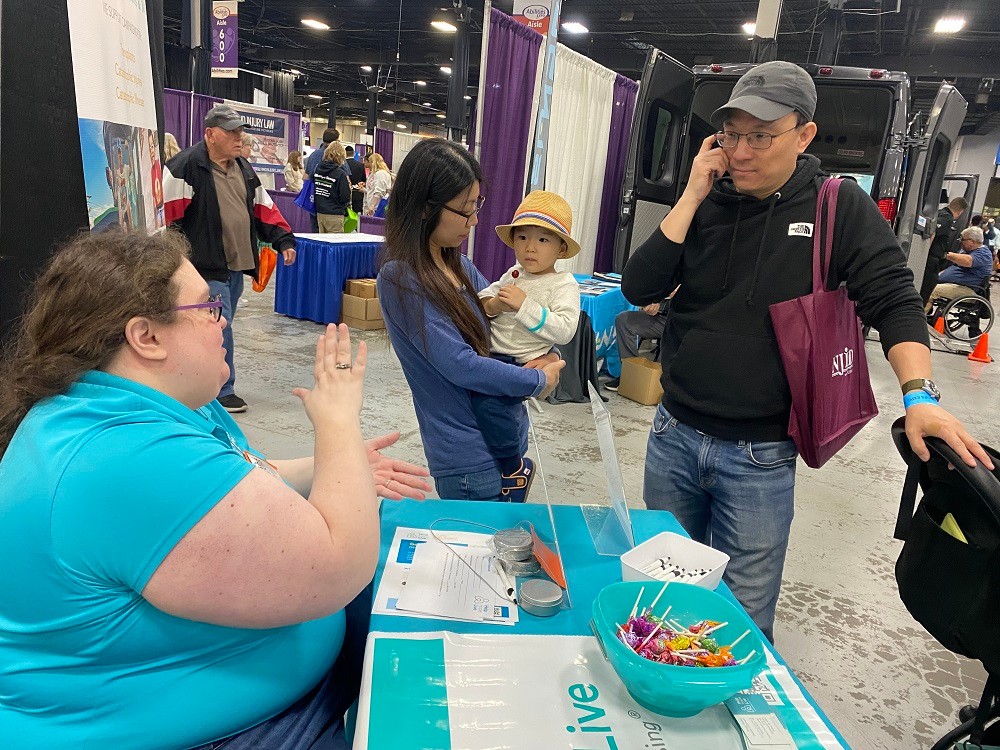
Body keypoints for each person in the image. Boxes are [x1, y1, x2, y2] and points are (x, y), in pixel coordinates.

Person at [0, 230, 431, 750]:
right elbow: (341, 566)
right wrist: (337, 419)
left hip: (269, 690)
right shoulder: (122, 457)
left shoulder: (158, 399)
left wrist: (333, 469)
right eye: (205, 307)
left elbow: (243, 472)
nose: (222, 318)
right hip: (223, 730)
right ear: (147, 337)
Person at [621, 60, 992, 642]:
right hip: (673, 435)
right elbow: (639, 287)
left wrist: (920, 393)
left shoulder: (836, 207)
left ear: (804, 134)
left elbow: (894, 300)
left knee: (739, 621)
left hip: (760, 457)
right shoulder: (706, 202)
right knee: (663, 596)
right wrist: (692, 195)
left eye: (761, 136)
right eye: (732, 135)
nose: (742, 151)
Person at [378, 138, 566, 501]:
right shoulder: (400, 278)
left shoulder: (459, 266)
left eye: (476, 205)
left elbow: (508, 326)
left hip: (505, 436)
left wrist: (549, 351)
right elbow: (461, 366)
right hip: (468, 460)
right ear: (423, 208)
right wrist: (535, 378)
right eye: (465, 210)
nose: (475, 220)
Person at [163, 103, 297, 414]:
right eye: (232, 132)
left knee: (221, 322)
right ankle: (223, 390)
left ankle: (196, 379)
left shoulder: (244, 168)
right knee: (220, 325)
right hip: (203, 266)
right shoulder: (186, 167)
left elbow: (263, 208)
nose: (240, 138)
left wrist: (283, 239)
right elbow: (165, 217)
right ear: (210, 134)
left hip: (236, 266)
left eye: (241, 132)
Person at [474, 190, 581, 499]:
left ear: (561, 249)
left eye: (543, 240)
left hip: (520, 361)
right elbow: (481, 300)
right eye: (522, 238)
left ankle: (513, 468)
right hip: (492, 353)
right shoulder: (514, 274)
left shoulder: (563, 285)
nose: (530, 247)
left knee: (490, 404)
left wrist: (524, 307)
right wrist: (496, 304)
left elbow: (564, 330)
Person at [604, 300, 671, 391]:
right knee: (623, 320)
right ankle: (630, 375)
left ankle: (660, 383)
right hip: (662, 316)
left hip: (685, 319)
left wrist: (662, 306)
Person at [920, 196, 968, 306]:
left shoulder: (939, 212)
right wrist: (924, 252)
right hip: (931, 260)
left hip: (928, 258)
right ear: (960, 211)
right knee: (925, 291)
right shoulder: (947, 218)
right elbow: (932, 232)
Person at [929, 226, 993, 304]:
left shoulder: (984, 254)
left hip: (968, 291)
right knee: (928, 284)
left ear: (972, 242)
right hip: (958, 286)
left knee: (932, 290)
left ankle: (918, 315)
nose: (960, 242)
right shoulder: (970, 252)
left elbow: (968, 261)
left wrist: (945, 254)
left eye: (963, 239)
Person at [305, 129, 340, 233]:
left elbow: (305, 177)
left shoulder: (313, 156)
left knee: (316, 237)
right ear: (336, 141)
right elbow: (346, 181)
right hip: (332, 208)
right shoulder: (338, 158)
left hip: (315, 202)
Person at [314, 142, 352, 234]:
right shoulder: (340, 173)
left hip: (320, 212)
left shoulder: (318, 168)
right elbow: (345, 197)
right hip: (335, 214)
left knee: (323, 244)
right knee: (335, 244)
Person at [343, 146, 367, 215]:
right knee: (358, 216)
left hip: (346, 194)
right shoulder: (360, 165)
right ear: (353, 153)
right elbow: (363, 180)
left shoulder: (342, 165)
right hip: (358, 194)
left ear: (345, 153)